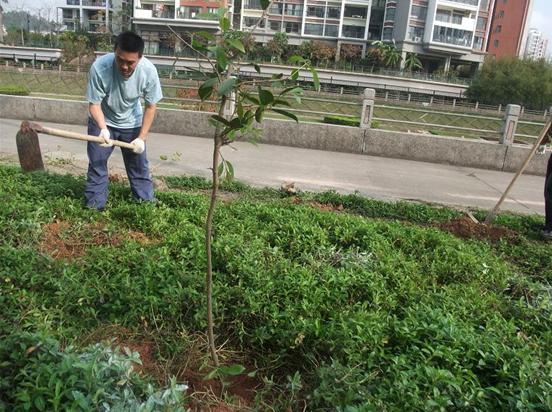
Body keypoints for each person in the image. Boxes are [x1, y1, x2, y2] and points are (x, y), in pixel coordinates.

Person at [84, 31, 162, 210]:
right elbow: (94, 104)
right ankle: (94, 208)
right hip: (103, 120)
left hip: (132, 123)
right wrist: (103, 129)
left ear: (140, 58)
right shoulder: (100, 67)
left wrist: (141, 138)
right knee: (97, 164)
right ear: (115, 52)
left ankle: (145, 205)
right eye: (120, 60)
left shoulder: (148, 71)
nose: (124, 66)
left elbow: (151, 106)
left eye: (130, 62)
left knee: (139, 167)